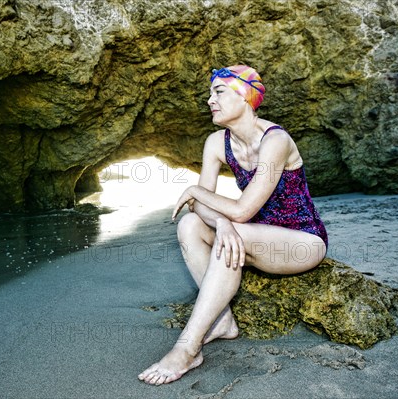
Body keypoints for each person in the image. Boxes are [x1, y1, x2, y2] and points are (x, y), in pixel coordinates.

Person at [138, 65, 328, 385]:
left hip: (302, 241)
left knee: (229, 229)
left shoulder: (275, 139)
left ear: (245, 97)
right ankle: (223, 321)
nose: (209, 99)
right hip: (250, 234)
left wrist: (203, 198)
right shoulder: (216, 142)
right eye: (210, 93)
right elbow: (202, 208)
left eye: (219, 92)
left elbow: (235, 208)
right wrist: (222, 222)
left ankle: (187, 349)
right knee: (189, 225)